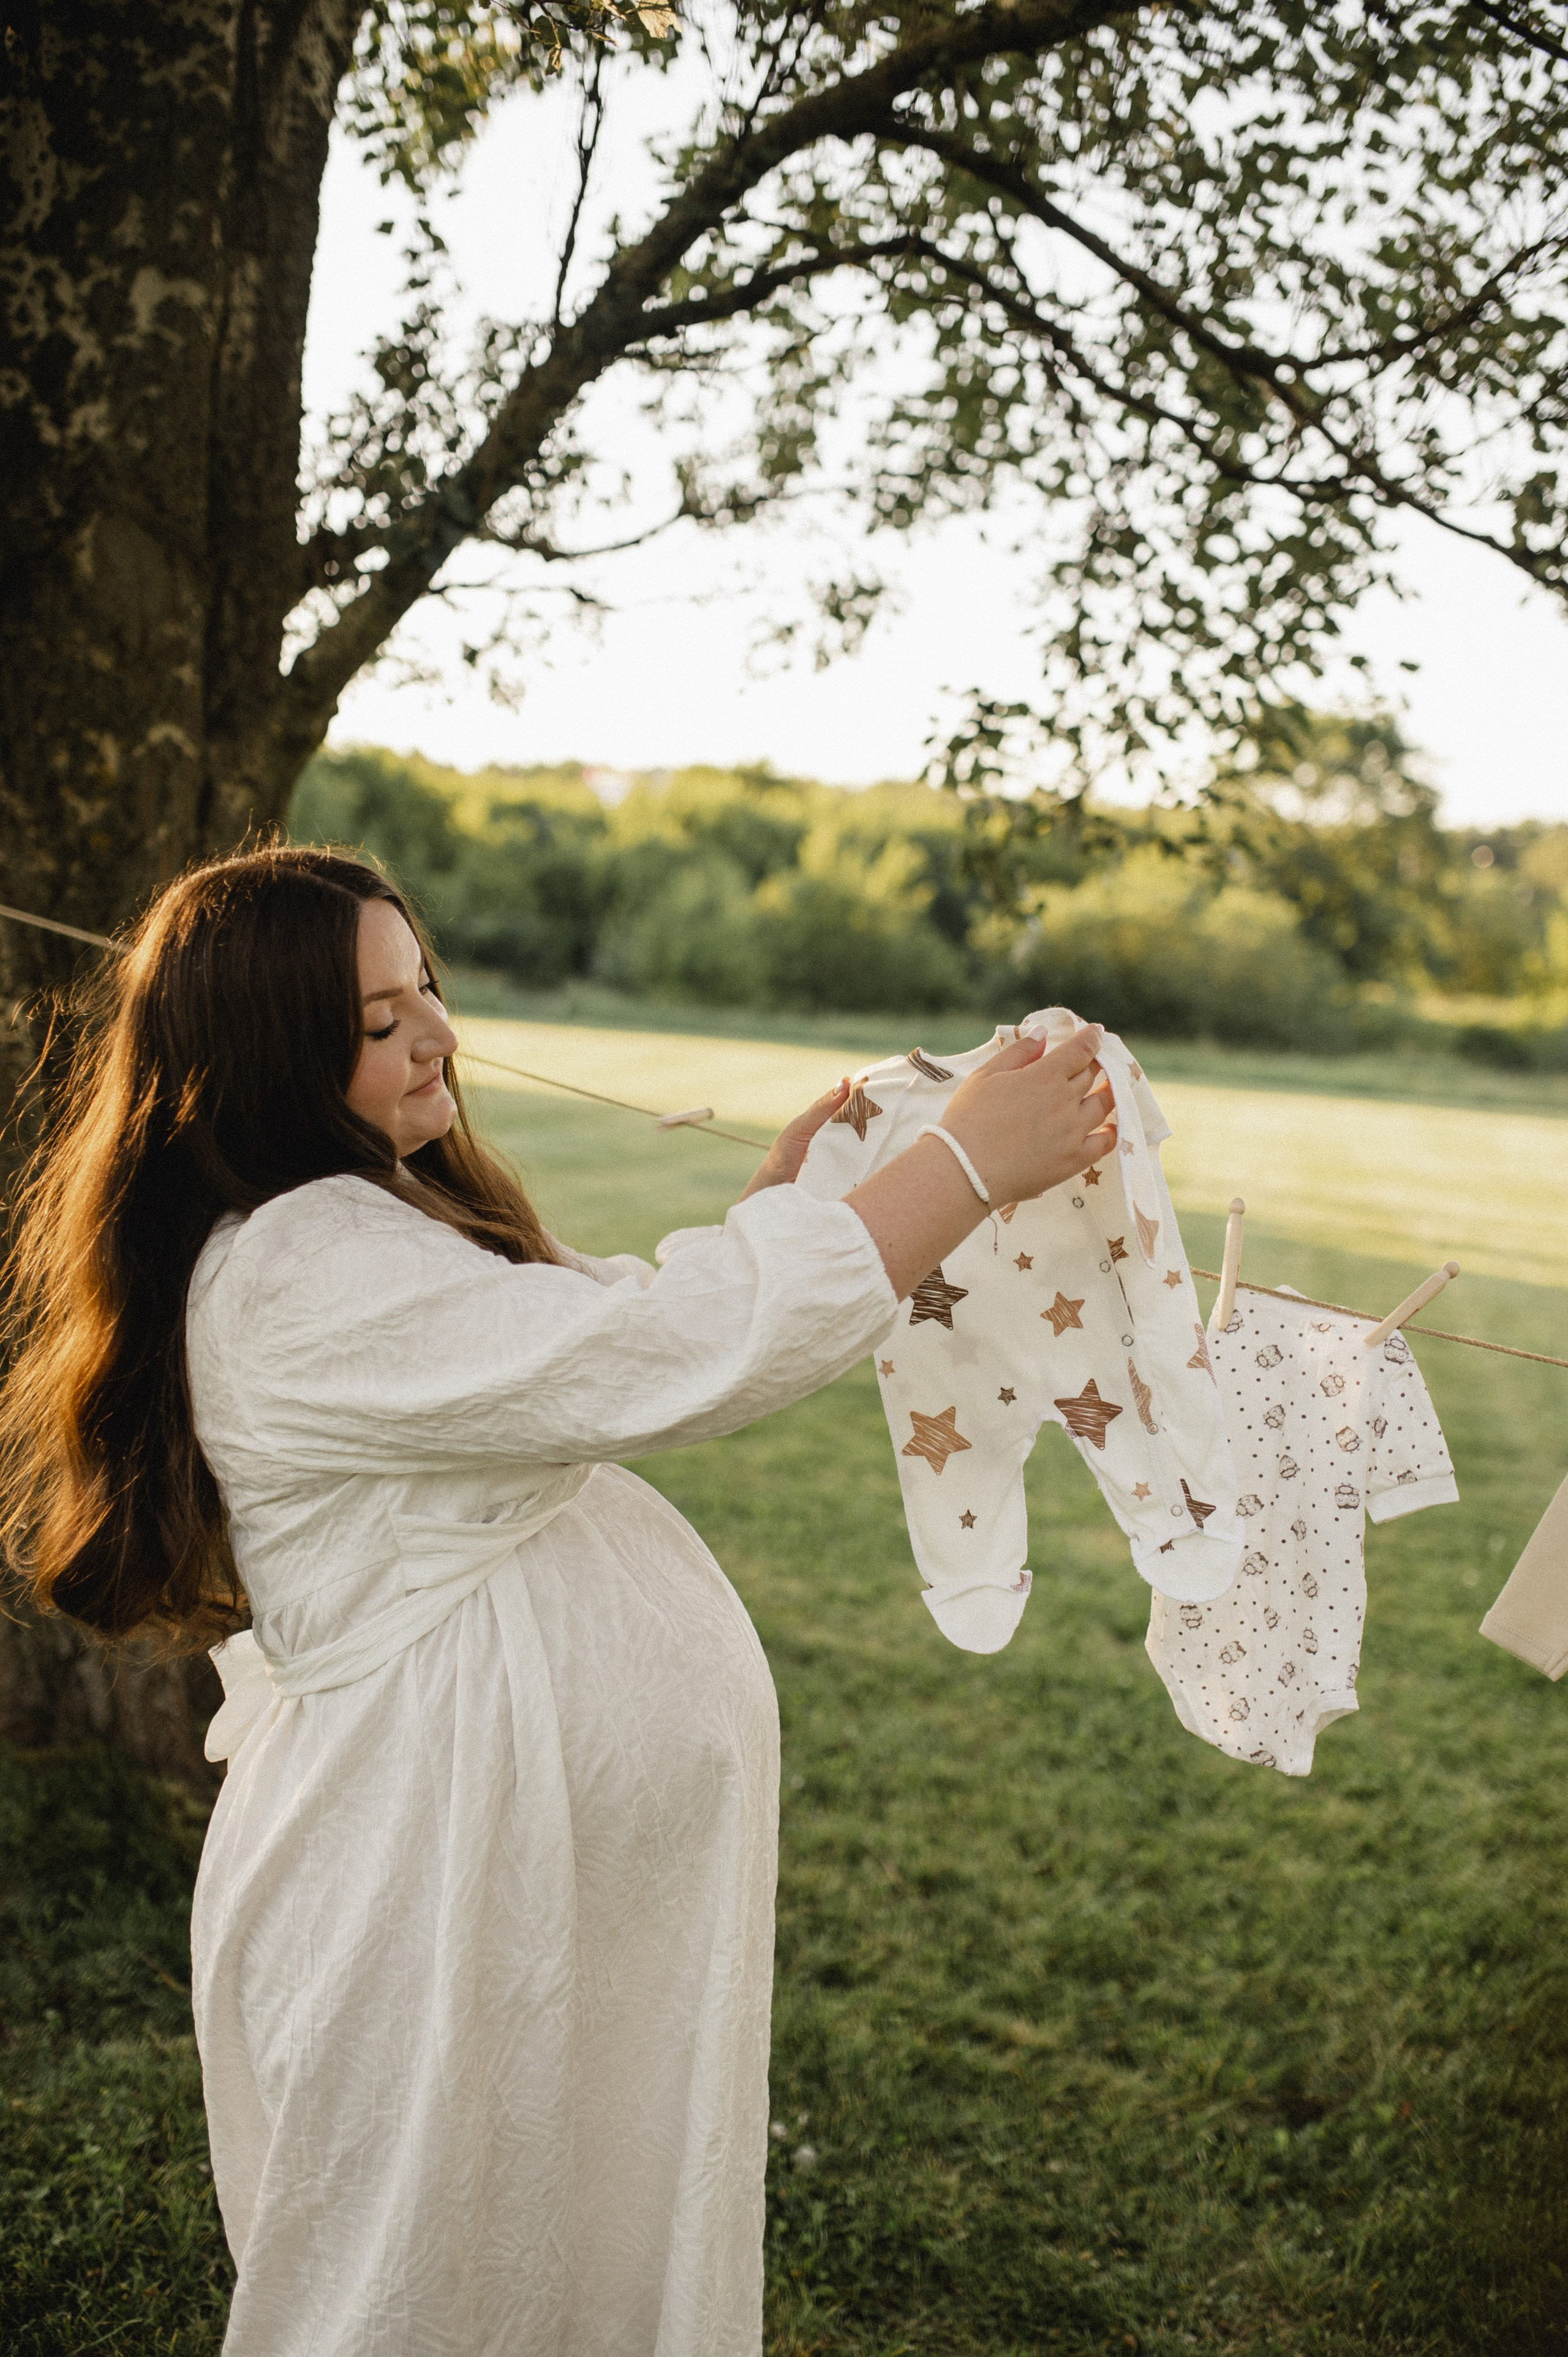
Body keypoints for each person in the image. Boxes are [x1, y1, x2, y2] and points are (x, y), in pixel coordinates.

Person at [0, 845, 1114, 2357]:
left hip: (494, 1846)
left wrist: (772, 1214)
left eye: (428, 991)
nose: (438, 1036)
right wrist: (963, 1166)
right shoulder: (295, 1267)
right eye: (380, 1022)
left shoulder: (367, 1226)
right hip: (424, 1851)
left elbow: (577, 1339)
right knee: (408, 2270)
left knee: (549, 2240)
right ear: (269, 1060)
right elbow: (658, 1352)